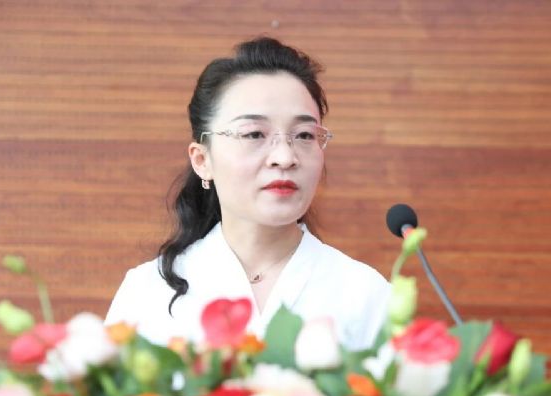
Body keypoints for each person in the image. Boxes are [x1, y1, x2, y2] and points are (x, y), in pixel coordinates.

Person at [105, 37, 390, 351]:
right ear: (202, 160)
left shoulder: (365, 294)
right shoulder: (147, 292)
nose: (285, 157)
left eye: (304, 135)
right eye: (254, 134)